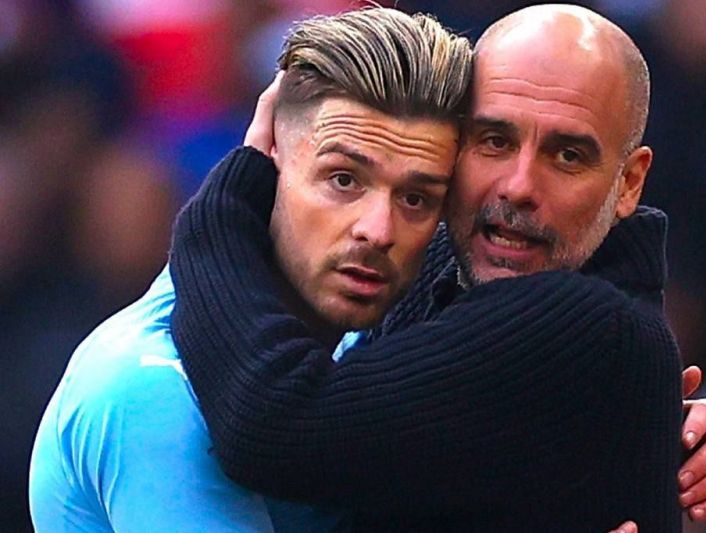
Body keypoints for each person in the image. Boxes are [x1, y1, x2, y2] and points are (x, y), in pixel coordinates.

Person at [168, 4, 706, 531]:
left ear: (629, 183)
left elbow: (276, 428)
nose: (518, 187)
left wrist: (231, 196)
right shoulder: (447, 258)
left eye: (567, 156)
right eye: (494, 140)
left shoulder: (586, 323)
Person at [28, 8, 472, 531]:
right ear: (268, 157)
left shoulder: (370, 348)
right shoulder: (153, 392)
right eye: (343, 180)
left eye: (416, 198)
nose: (378, 230)